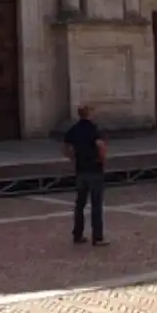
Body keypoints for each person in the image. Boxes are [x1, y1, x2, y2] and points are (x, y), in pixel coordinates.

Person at [62, 102, 109, 246]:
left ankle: (77, 234)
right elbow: (101, 146)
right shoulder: (94, 129)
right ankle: (97, 237)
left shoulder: (74, 129)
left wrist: (73, 157)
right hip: (94, 168)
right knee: (96, 204)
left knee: (80, 204)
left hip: (81, 169)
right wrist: (102, 160)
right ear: (89, 113)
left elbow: (65, 146)